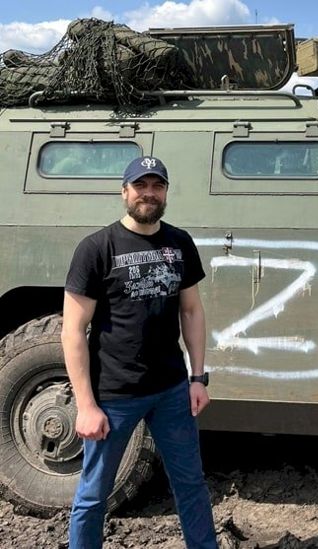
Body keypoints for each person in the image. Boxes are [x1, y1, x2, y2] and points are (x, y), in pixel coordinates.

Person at [61, 156, 218, 549]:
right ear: (124, 191)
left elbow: (192, 311)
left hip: (171, 391)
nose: (149, 193)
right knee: (93, 495)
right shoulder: (96, 248)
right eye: (140, 185)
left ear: (166, 192)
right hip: (114, 395)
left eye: (157, 186)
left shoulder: (180, 243)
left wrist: (198, 378)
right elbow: (73, 331)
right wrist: (86, 405)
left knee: (191, 484)